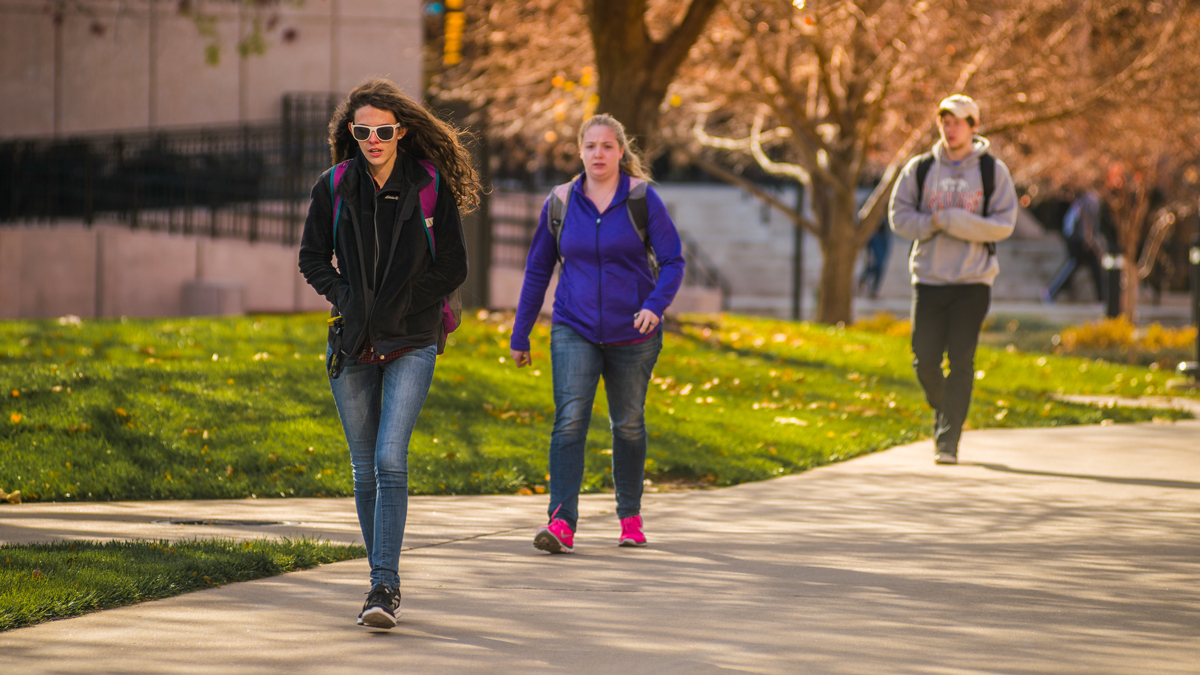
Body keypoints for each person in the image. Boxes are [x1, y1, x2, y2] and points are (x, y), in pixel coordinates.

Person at [298, 78, 478, 628]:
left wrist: (403, 306)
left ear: (400, 131)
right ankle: (379, 577)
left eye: (382, 130)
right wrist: (349, 300)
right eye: (362, 131)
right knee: (362, 470)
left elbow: (453, 266)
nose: (373, 140)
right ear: (351, 134)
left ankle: (384, 586)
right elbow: (312, 260)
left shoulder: (427, 186)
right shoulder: (332, 187)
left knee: (388, 459)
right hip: (352, 344)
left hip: (412, 340)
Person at [509, 114, 684, 553]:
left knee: (627, 424)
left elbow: (674, 261)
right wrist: (521, 331)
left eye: (607, 146)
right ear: (580, 150)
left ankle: (630, 517)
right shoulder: (562, 201)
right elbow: (537, 269)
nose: (598, 154)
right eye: (591, 146)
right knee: (569, 422)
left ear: (621, 152)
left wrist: (654, 306)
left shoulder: (643, 199)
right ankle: (561, 521)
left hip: (634, 331)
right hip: (574, 325)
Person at [889, 94, 1017, 465]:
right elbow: (899, 217)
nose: (950, 127)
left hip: (973, 281)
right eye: (945, 120)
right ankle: (949, 410)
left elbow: (1003, 224)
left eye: (959, 121)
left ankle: (948, 440)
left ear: (974, 126)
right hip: (928, 277)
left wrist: (957, 221)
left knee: (961, 359)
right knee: (924, 361)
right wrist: (934, 222)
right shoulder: (921, 168)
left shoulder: (993, 172)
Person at [1042, 190, 1106, 303]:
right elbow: (1085, 218)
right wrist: (1089, 239)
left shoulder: (1091, 199)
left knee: (1094, 266)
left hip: (1082, 239)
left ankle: (1102, 298)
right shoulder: (1089, 200)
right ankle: (1051, 292)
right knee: (1073, 265)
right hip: (1078, 240)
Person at [857, 218, 893, 299]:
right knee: (873, 262)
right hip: (872, 231)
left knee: (881, 264)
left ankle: (874, 290)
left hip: (884, 232)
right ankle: (864, 278)